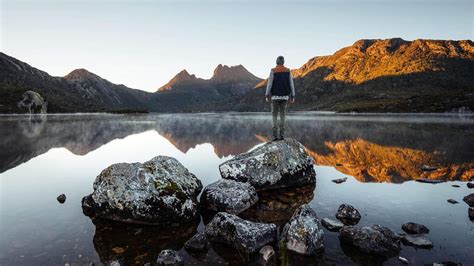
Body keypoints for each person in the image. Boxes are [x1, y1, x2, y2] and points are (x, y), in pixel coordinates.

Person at [265, 56, 295, 141]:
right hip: (285, 97)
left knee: (274, 115)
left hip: (275, 97)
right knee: (282, 115)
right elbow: (291, 84)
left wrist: (267, 95)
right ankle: (281, 135)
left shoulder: (273, 71)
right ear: (283, 62)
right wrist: (293, 95)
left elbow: (269, 84)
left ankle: (275, 135)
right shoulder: (288, 71)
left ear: (276, 62)